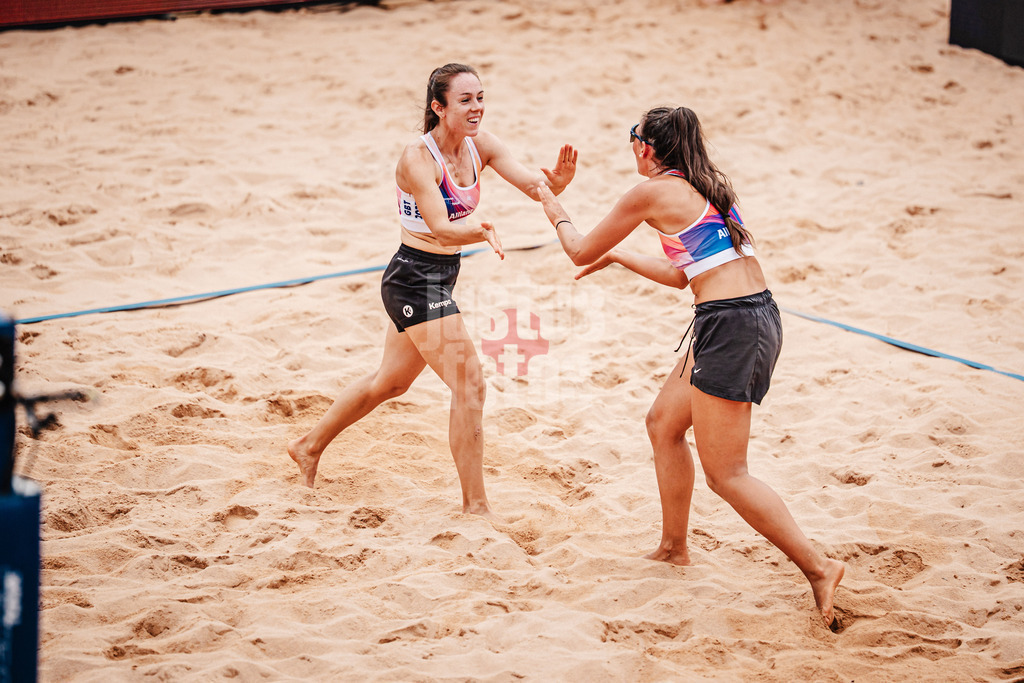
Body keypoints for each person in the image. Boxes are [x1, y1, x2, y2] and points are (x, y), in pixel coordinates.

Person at [534, 106, 844, 630]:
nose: (631, 145)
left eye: (633, 137)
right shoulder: (709, 187)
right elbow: (684, 276)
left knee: (728, 474)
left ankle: (819, 567)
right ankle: (674, 548)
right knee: (663, 423)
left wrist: (552, 203)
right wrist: (620, 258)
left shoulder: (650, 192)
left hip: (731, 326)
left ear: (646, 147)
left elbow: (578, 247)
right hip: (748, 315)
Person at [288, 63, 577, 520]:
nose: (477, 107)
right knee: (471, 384)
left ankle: (308, 446)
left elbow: (531, 182)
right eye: (465, 100)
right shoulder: (417, 159)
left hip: (439, 275)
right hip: (414, 277)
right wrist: (481, 231)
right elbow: (441, 229)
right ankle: (475, 506)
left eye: (480, 97)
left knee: (391, 382)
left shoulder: (480, 144)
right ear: (438, 107)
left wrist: (552, 186)